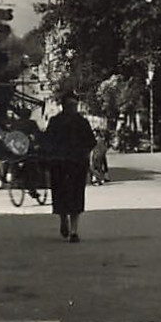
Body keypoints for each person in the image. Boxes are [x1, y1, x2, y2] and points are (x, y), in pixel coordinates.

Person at [42, 92, 98, 243]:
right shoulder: (81, 122)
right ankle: (69, 226)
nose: (73, 108)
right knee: (74, 196)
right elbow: (91, 142)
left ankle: (69, 227)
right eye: (71, 105)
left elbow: (46, 142)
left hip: (63, 163)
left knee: (66, 195)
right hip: (73, 163)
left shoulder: (57, 122)